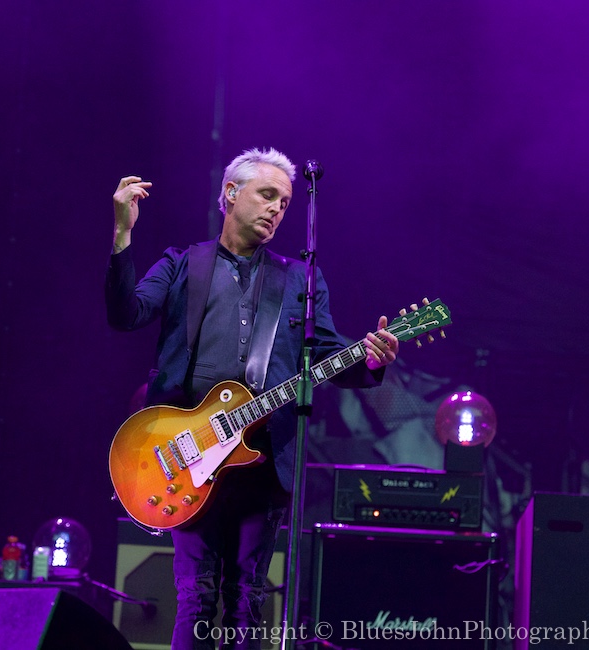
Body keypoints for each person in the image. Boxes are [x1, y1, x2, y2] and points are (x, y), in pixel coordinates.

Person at [105, 147, 401, 649]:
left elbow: (327, 355)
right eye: (267, 195)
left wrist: (372, 360)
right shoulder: (182, 265)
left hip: (263, 463)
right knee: (196, 596)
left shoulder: (300, 279)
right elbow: (125, 314)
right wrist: (122, 234)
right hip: (186, 454)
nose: (276, 209)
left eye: (285, 202)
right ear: (230, 194)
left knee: (248, 599)